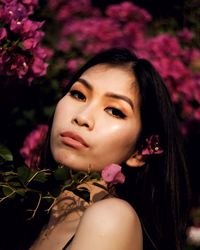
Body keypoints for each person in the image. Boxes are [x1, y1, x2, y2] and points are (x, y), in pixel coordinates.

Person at [30, 48, 190, 250]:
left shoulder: (111, 218)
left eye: (114, 111)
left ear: (140, 150)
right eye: (78, 95)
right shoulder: (33, 212)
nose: (82, 117)